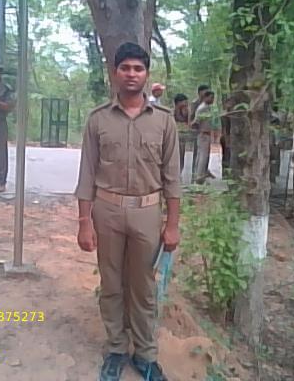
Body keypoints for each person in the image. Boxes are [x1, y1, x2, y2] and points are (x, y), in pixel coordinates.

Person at [75, 42, 181, 381]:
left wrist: (172, 224)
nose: (132, 74)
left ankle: (145, 355)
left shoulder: (164, 122)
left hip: (147, 213)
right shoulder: (98, 119)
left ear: (146, 74)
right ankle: (117, 349)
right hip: (106, 212)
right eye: (125, 68)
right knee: (111, 284)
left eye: (138, 68)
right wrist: (84, 223)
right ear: (115, 72)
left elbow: (173, 178)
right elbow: (86, 174)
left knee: (143, 287)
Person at [192, 90, 216, 184]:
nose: (212, 99)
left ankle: (200, 174)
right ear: (206, 97)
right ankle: (199, 176)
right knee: (203, 156)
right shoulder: (202, 108)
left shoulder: (208, 108)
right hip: (203, 135)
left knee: (202, 155)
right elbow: (196, 122)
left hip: (207, 134)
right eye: (211, 97)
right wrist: (200, 131)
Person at [189, 85, 210, 181]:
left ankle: (202, 173)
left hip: (203, 129)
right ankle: (195, 174)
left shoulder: (208, 103)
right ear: (199, 93)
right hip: (196, 130)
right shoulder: (195, 103)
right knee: (197, 154)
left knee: (203, 154)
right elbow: (192, 116)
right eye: (204, 91)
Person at [173, 93, 191, 175]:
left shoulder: (186, 111)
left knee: (182, 155)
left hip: (183, 136)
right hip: (174, 136)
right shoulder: (172, 112)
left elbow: (189, 123)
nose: (186, 103)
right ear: (178, 102)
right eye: (184, 102)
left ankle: (179, 172)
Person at [220, 97, 235, 176]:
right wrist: (227, 139)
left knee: (229, 154)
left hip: (231, 136)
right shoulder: (224, 116)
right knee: (226, 154)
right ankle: (225, 171)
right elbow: (224, 128)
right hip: (226, 137)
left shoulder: (234, 115)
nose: (230, 105)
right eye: (228, 103)